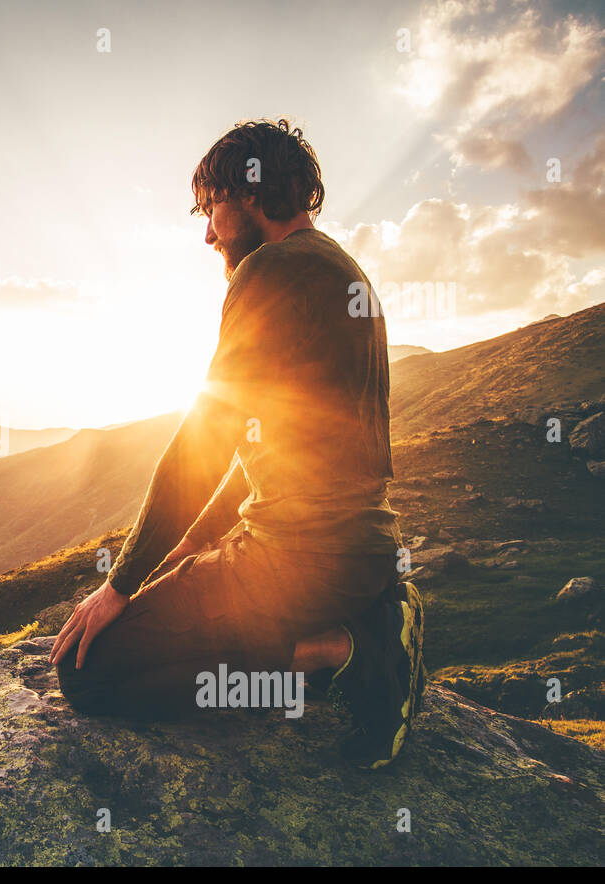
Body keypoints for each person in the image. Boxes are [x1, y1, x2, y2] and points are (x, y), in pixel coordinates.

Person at [49, 118, 426, 770]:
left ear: (249, 193)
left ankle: (345, 650)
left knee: (90, 674)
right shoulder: (343, 270)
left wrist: (120, 586)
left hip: (291, 562)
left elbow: (211, 432)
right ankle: (361, 624)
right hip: (359, 553)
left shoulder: (269, 270)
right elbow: (267, 436)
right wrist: (196, 539)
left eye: (209, 207)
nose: (206, 231)